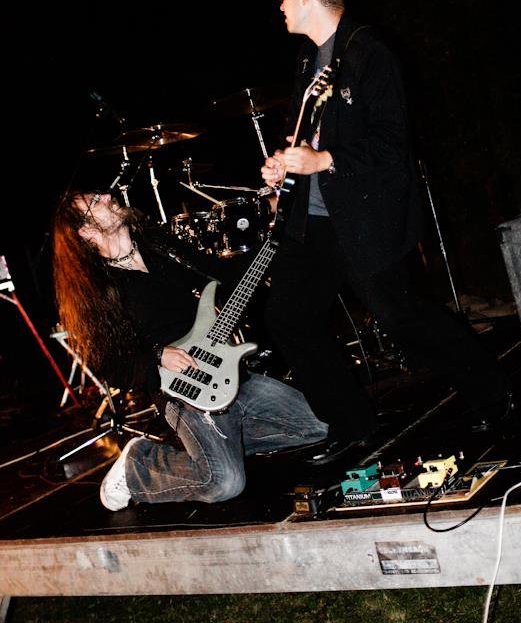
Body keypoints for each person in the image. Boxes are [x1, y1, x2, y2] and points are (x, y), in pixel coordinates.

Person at [261, 0, 512, 465]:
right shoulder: (306, 62)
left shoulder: (370, 55)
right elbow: (307, 137)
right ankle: (351, 423)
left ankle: (493, 391)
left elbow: (392, 145)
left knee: (402, 317)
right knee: (288, 318)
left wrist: (325, 160)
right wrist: (285, 164)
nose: (278, 4)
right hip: (313, 219)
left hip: (362, 217)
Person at [52, 190, 328, 511]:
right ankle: (139, 464)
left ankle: (221, 448)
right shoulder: (99, 290)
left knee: (322, 423)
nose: (106, 196)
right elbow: (111, 365)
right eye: (94, 202)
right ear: (86, 231)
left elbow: (225, 275)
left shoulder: (161, 245)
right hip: (185, 394)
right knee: (224, 483)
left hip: (230, 372)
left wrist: (273, 230)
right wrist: (158, 355)